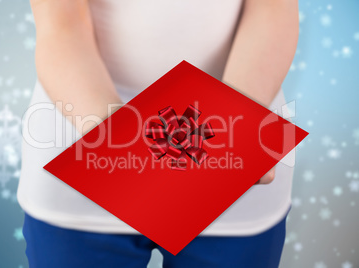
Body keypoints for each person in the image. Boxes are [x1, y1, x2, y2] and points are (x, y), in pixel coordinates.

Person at [18, 0, 299, 267]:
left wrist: (238, 123)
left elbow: (273, 8)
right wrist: (119, 143)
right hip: (87, 158)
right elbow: (61, 23)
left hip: (229, 171)